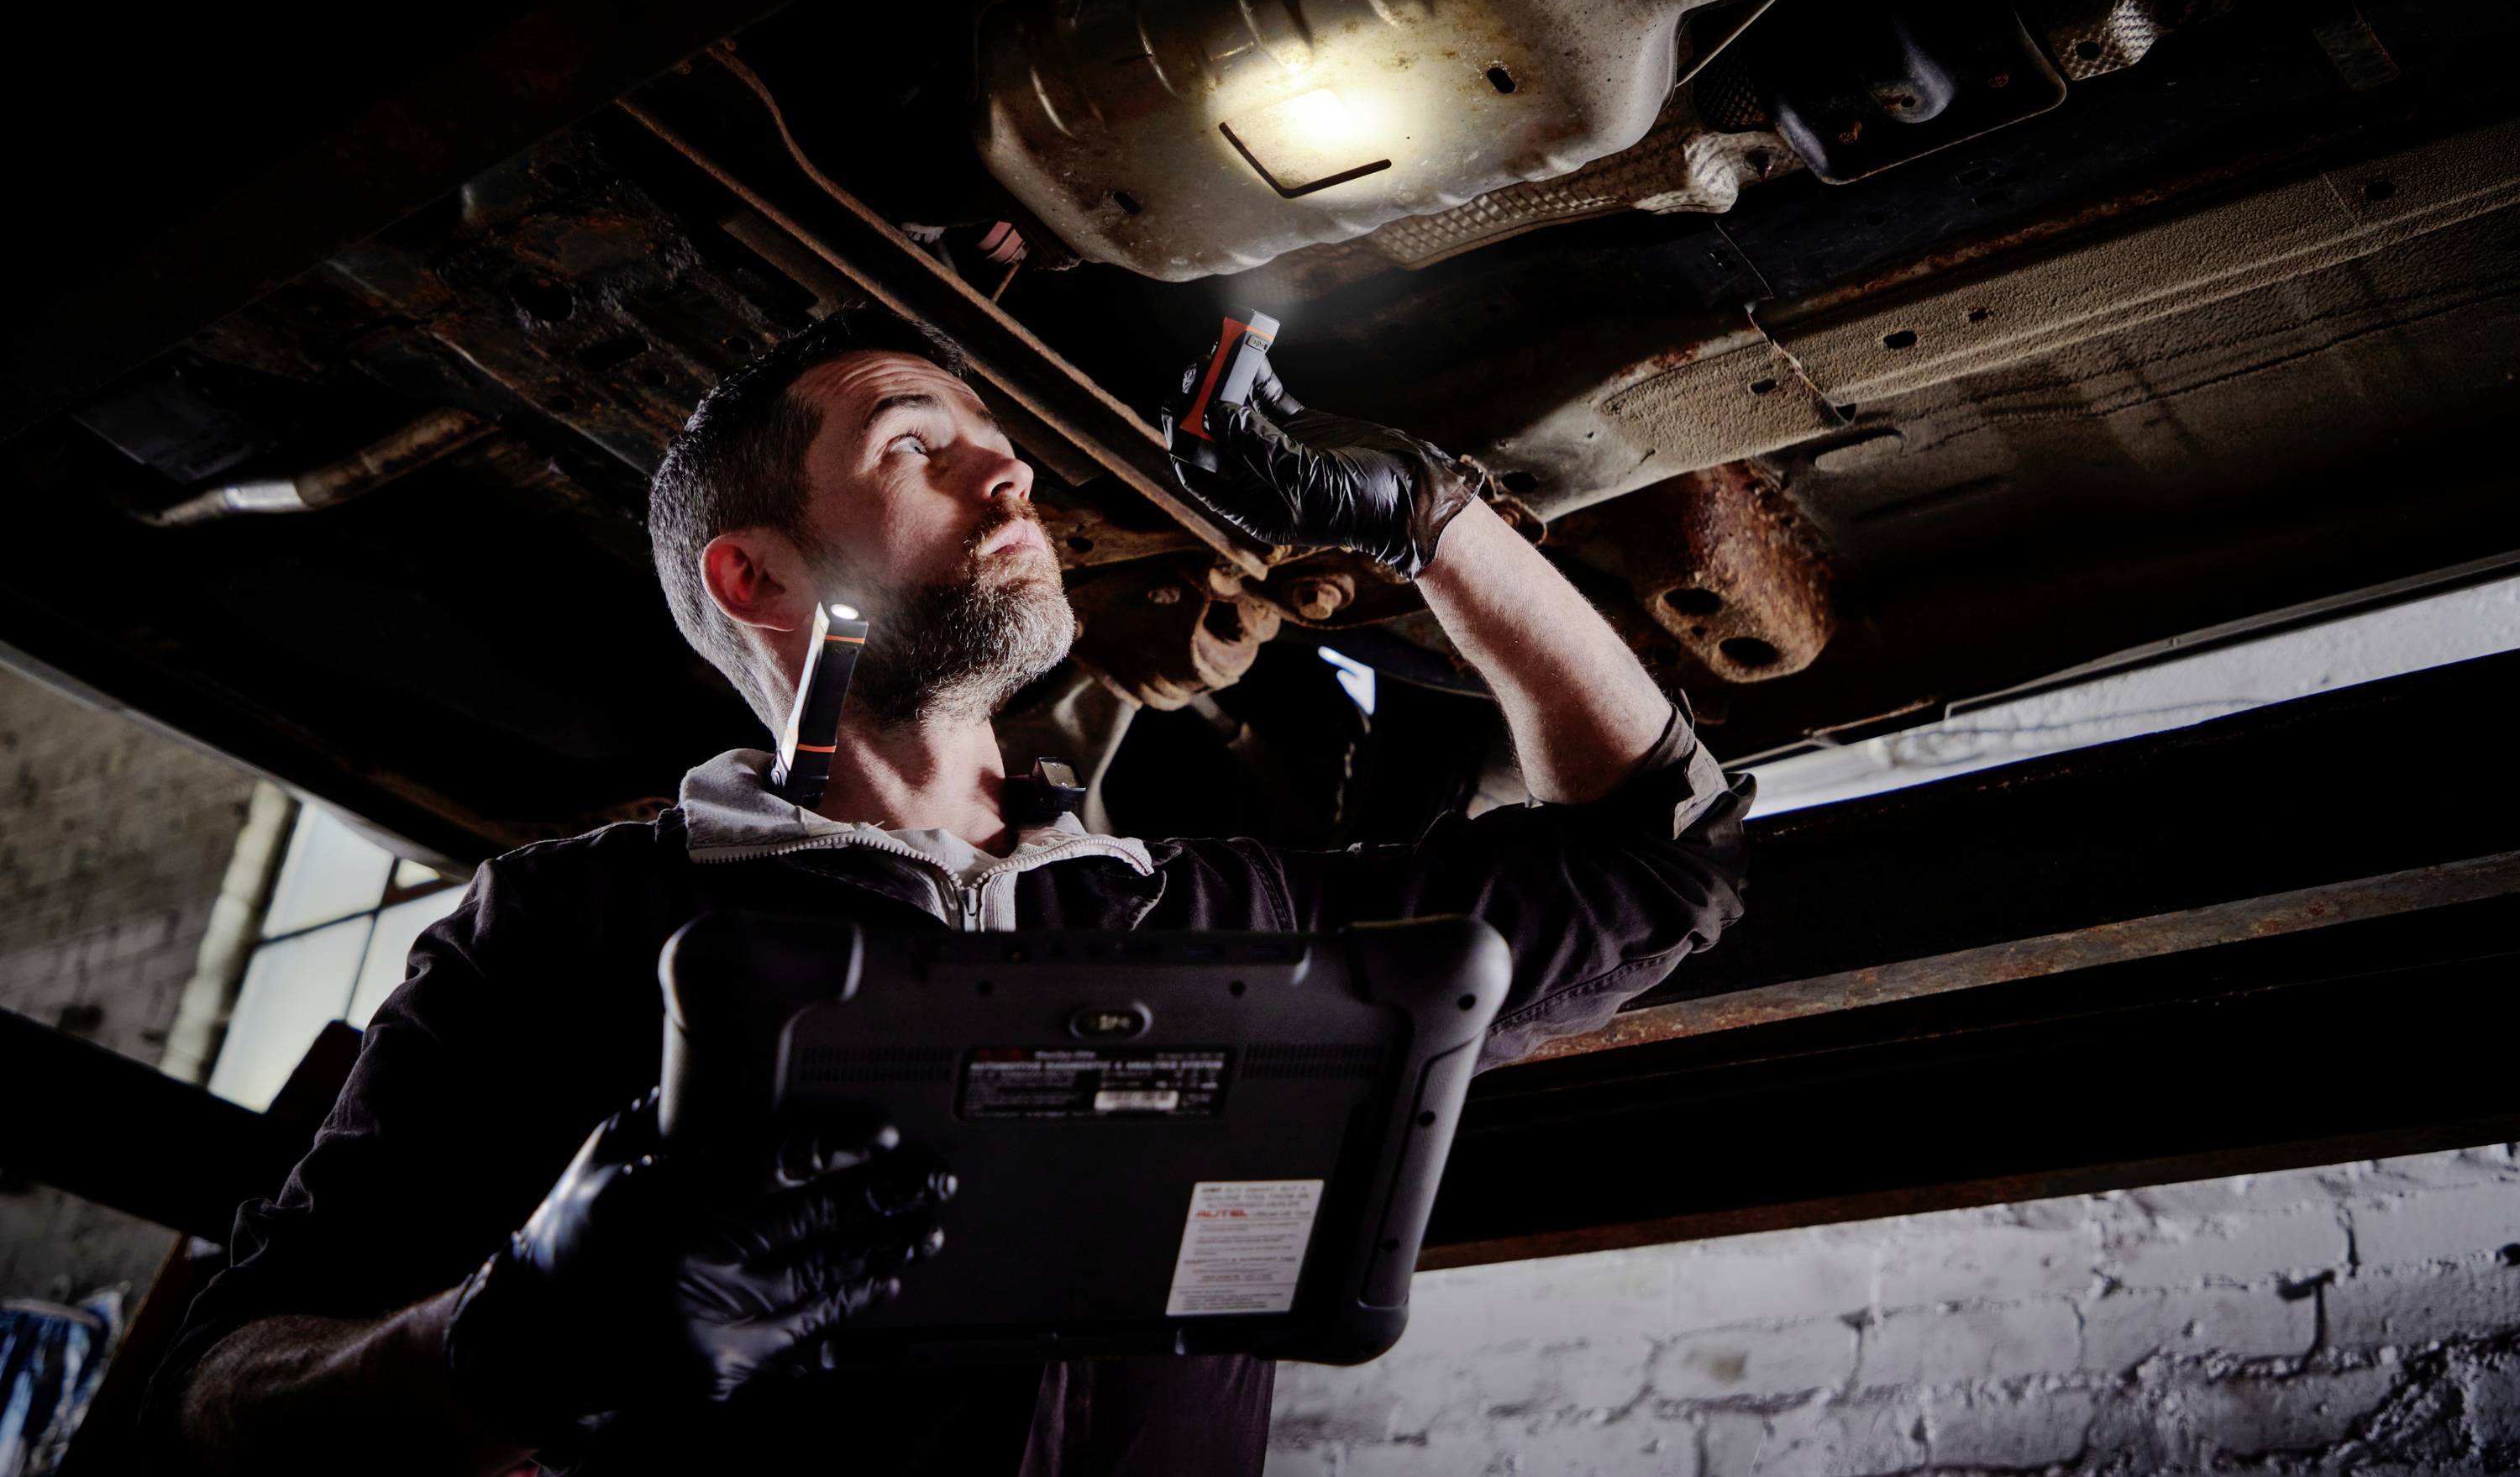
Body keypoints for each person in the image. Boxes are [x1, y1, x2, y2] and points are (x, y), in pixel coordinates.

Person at [156, 309, 1750, 1474]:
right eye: (915, 444)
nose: (1011, 474)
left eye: (998, 441)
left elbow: (1660, 853)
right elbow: (223, 1396)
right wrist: (507, 1340)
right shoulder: (565, 933)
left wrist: (1435, 520)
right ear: (758, 576)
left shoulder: (1216, 916)